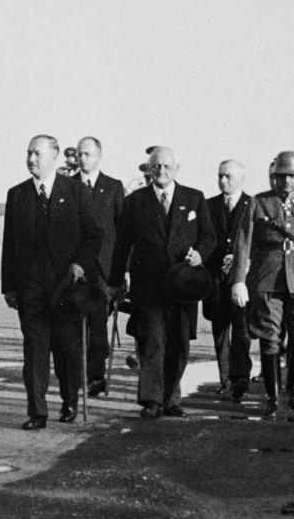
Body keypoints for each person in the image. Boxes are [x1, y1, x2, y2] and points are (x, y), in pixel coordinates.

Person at [1, 135, 107, 429]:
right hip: (31, 287)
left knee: (67, 350)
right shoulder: (17, 194)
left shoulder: (75, 190)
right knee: (34, 350)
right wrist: (9, 286)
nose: (31, 159)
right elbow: (9, 244)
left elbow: (94, 234)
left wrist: (79, 264)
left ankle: (69, 400)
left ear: (55, 156)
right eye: (28, 153)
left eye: (36, 153)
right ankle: (37, 411)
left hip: (66, 288)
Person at [111, 146, 217, 418]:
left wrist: (199, 255)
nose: (161, 171)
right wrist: (115, 280)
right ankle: (151, 400)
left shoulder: (194, 198)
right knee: (152, 342)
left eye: (167, 166)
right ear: (149, 169)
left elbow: (209, 237)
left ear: (176, 169)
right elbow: (122, 244)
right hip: (148, 287)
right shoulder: (136, 201)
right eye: (156, 166)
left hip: (184, 286)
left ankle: (171, 399)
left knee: (179, 343)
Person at [229, 152, 294, 414]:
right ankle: (273, 396)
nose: (287, 181)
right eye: (281, 176)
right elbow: (243, 243)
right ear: (274, 177)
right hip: (268, 278)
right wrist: (238, 280)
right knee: (270, 339)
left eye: (292, 176)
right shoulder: (259, 202)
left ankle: (293, 383)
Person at [73, 137, 126, 395]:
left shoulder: (113, 187)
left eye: (88, 154)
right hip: (76, 267)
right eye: (80, 154)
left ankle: (95, 375)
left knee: (97, 321)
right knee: (77, 321)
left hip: (105, 268)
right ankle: (80, 373)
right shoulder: (67, 185)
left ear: (99, 156)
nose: (83, 159)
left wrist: (124, 269)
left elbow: (123, 230)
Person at [204, 160, 254, 401]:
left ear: (241, 179)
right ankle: (225, 379)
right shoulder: (208, 205)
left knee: (242, 329)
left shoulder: (252, 205)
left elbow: (257, 240)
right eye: (220, 176)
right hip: (215, 278)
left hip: (242, 279)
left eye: (228, 177)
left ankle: (241, 376)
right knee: (220, 329)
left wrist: (240, 260)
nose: (223, 181)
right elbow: (204, 239)